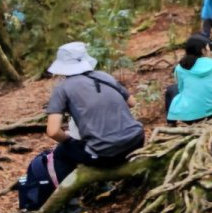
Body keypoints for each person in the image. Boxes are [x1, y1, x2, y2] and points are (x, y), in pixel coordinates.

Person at [45, 42, 145, 183]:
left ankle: (73, 202)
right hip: (137, 141)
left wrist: (69, 140)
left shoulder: (62, 89)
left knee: (61, 152)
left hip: (105, 154)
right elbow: (132, 103)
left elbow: (53, 131)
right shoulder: (104, 76)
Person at [164, 34, 212, 123]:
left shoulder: (181, 67)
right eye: (208, 46)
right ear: (202, 50)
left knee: (171, 90)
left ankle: (171, 123)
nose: (209, 49)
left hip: (188, 116)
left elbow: (181, 89)